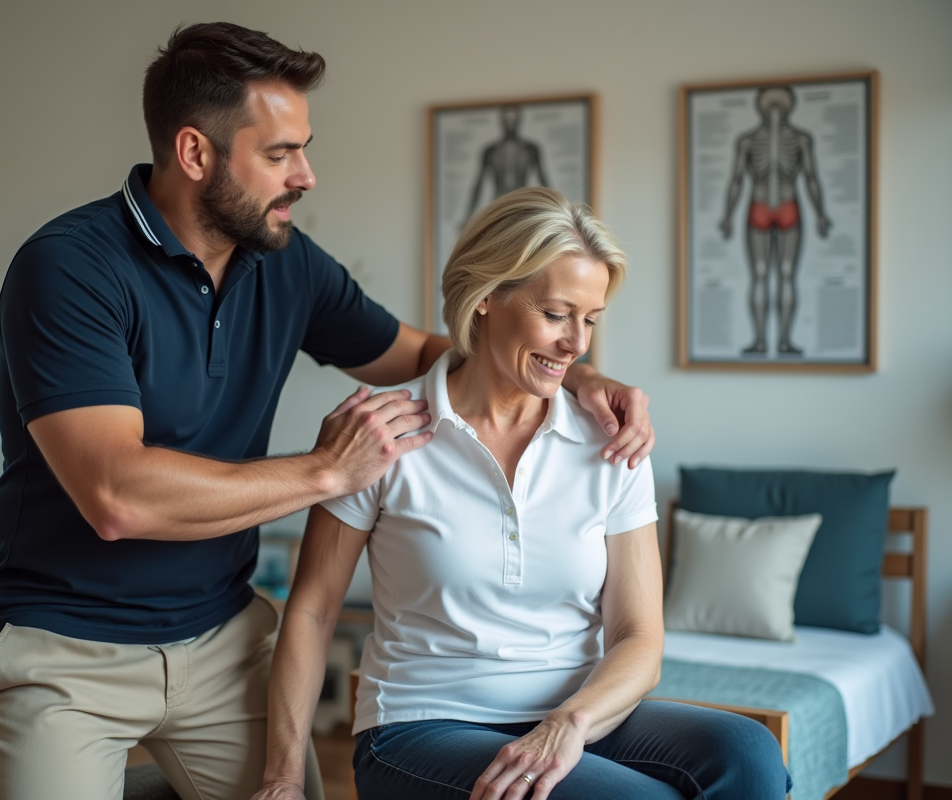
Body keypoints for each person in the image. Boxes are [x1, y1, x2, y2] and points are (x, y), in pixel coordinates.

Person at [0, 22, 655, 800]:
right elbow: (117, 497)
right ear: (195, 153)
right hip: (66, 642)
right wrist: (327, 470)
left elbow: (427, 352)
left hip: (222, 638)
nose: (306, 175)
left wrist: (574, 377)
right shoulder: (69, 268)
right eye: (279, 154)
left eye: (303, 148)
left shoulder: (285, 263)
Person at [253, 188, 790, 800]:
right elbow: (313, 610)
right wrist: (282, 779)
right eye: (557, 314)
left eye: (591, 319)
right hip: (423, 726)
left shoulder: (611, 439)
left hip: (575, 717)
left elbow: (640, 638)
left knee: (749, 752)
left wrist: (570, 722)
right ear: (486, 296)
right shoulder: (383, 433)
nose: (577, 344)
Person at [718, 85, 832, 357]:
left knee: (782, 275)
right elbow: (736, 181)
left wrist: (820, 214)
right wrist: (727, 216)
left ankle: (781, 340)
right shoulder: (749, 141)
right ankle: (763, 340)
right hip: (766, 206)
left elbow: (811, 179)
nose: (775, 112)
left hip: (782, 206)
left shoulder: (799, 139)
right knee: (766, 275)